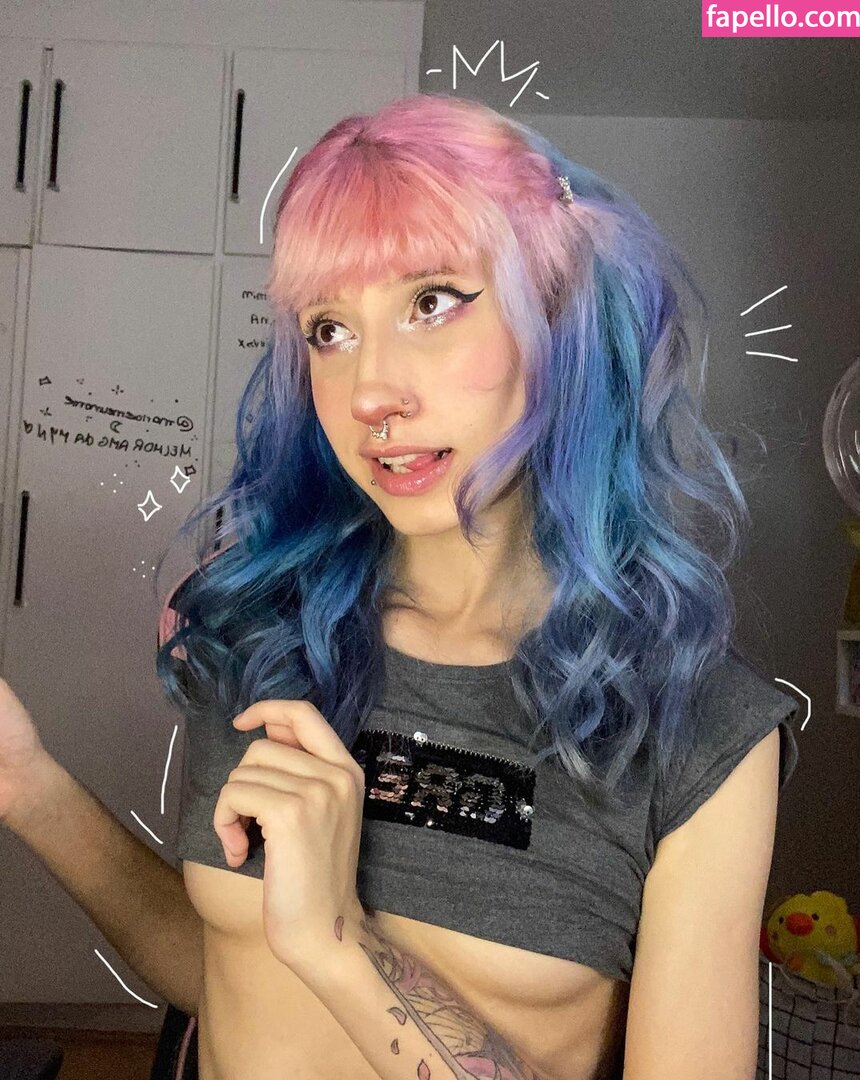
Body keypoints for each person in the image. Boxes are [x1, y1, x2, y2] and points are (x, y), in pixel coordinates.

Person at [1, 93, 799, 1080]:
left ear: (560, 317)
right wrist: (28, 786)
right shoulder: (264, 630)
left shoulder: (696, 729)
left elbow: (311, 953)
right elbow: (232, 975)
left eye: (431, 303)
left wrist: (341, 943)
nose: (371, 393)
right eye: (329, 330)